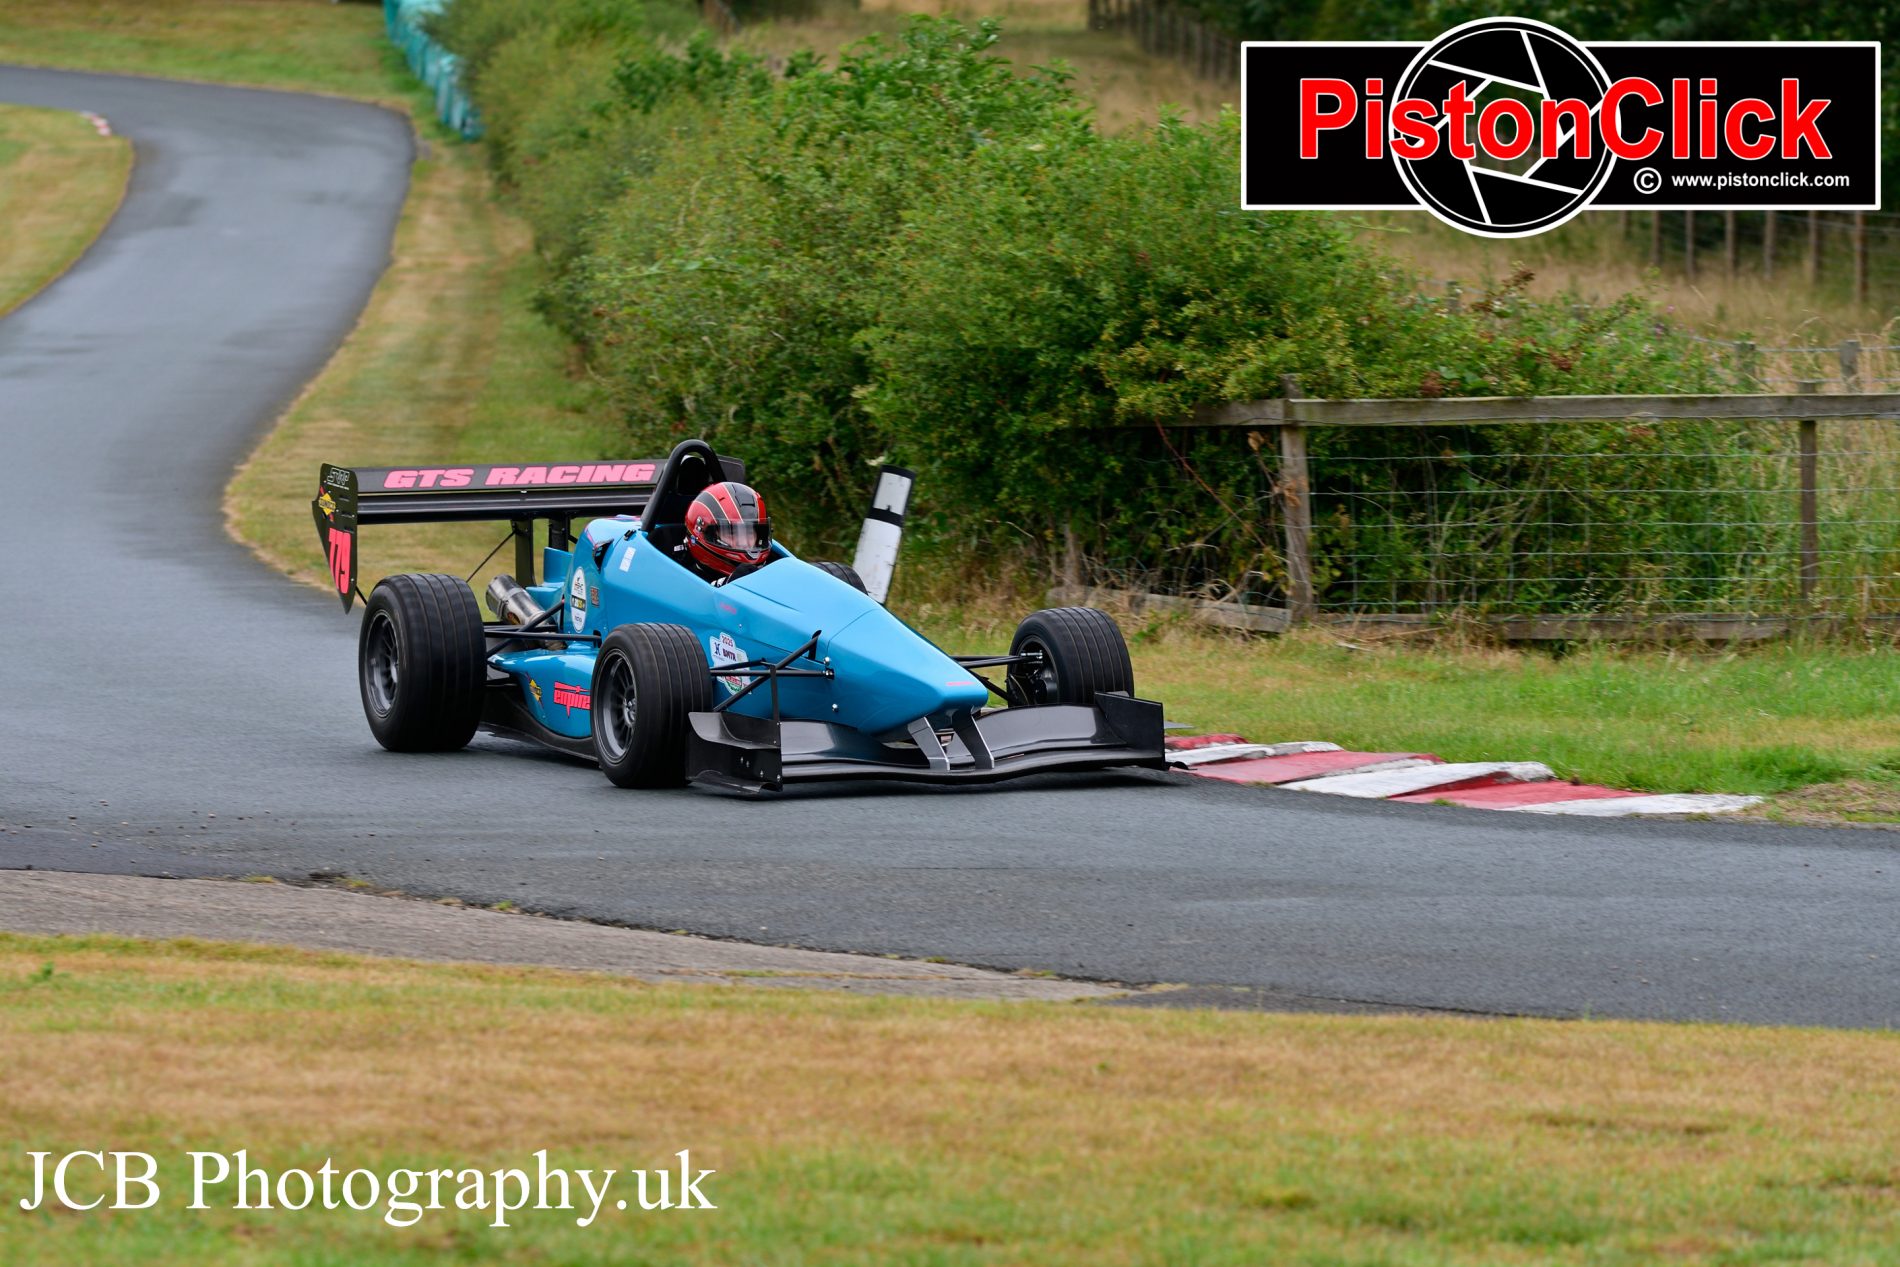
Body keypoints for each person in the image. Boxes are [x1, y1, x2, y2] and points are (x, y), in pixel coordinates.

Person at [681, 481, 773, 585]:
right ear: (703, 534)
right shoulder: (680, 582)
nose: (744, 542)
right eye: (732, 533)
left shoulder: (774, 569)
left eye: (750, 532)